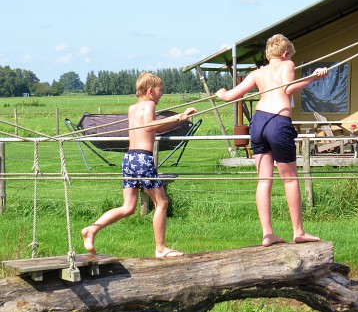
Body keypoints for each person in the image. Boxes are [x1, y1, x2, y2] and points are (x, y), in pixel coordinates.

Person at [215, 34, 328, 246]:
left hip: (258, 123)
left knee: (263, 180)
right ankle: (298, 231)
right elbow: (288, 88)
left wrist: (221, 93)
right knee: (290, 179)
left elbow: (230, 96)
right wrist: (313, 77)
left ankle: (267, 234)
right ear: (285, 53)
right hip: (278, 122)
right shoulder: (288, 64)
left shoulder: (258, 72)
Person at [81, 72, 197, 258]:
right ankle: (160, 248)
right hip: (143, 159)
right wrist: (178, 117)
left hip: (129, 158)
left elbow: (153, 127)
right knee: (162, 202)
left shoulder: (132, 108)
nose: (162, 94)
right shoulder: (149, 105)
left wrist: (178, 121)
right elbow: (150, 126)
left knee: (128, 207)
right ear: (150, 90)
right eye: (160, 90)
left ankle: (92, 230)